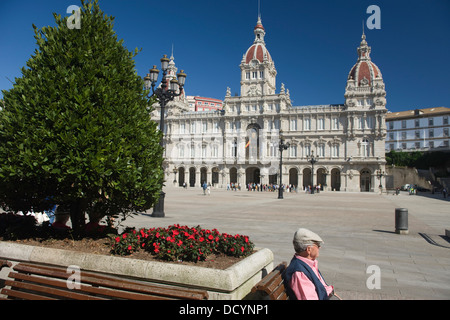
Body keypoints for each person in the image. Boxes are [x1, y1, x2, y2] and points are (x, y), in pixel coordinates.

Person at [284, 228, 341, 300]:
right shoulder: (299, 273)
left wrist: (332, 293)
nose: (319, 247)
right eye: (317, 245)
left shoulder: (308, 263)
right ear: (309, 249)